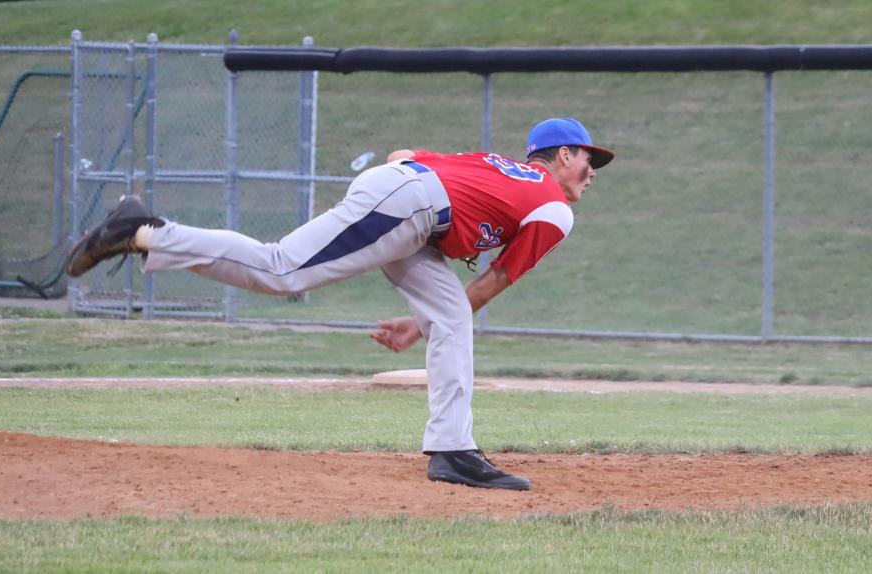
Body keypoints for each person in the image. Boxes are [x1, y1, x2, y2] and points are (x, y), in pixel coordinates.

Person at [67, 117, 614, 491]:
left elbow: (404, 155)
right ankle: (145, 231)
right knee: (281, 268)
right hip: (413, 208)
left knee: (448, 316)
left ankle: (452, 450)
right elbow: (494, 281)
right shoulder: (553, 207)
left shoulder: (496, 166)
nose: (594, 172)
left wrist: (419, 320)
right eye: (589, 160)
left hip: (412, 203)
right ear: (562, 155)